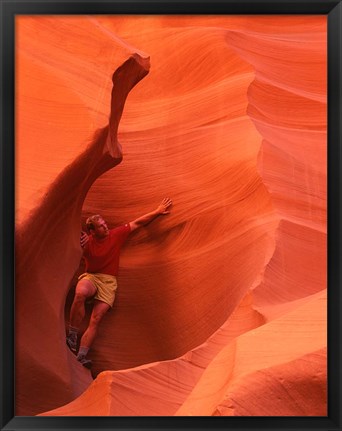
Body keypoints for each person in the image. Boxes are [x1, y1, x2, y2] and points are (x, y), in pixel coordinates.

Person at [66, 197, 172, 368]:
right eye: (101, 226)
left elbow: (138, 223)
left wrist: (158, 211)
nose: (105, 226)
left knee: (96, 319)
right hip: (92, 277)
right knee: (80, 292)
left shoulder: (115, 235)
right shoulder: (87, 242)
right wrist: (79, 241)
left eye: (105, 223)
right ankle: (72, 334)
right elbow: (69, 240)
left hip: (109, 282)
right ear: (93, 231)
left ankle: (81, 356)